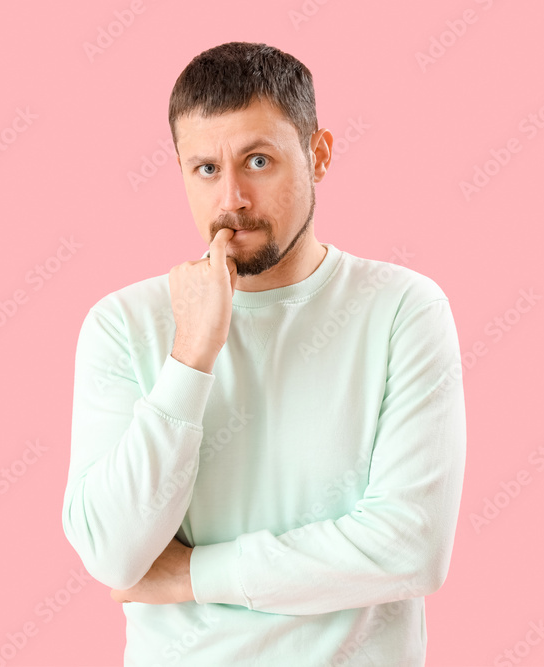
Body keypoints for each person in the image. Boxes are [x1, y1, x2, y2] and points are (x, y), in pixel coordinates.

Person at [62, 41, 467, 666]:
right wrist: (192, 355)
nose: (232, 199)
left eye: (258, 161)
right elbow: (113, 555)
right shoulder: (123, 325)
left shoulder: (402, 310)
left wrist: (191, 575)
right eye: (204, 169)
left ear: (319, 154)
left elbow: (412, 547)